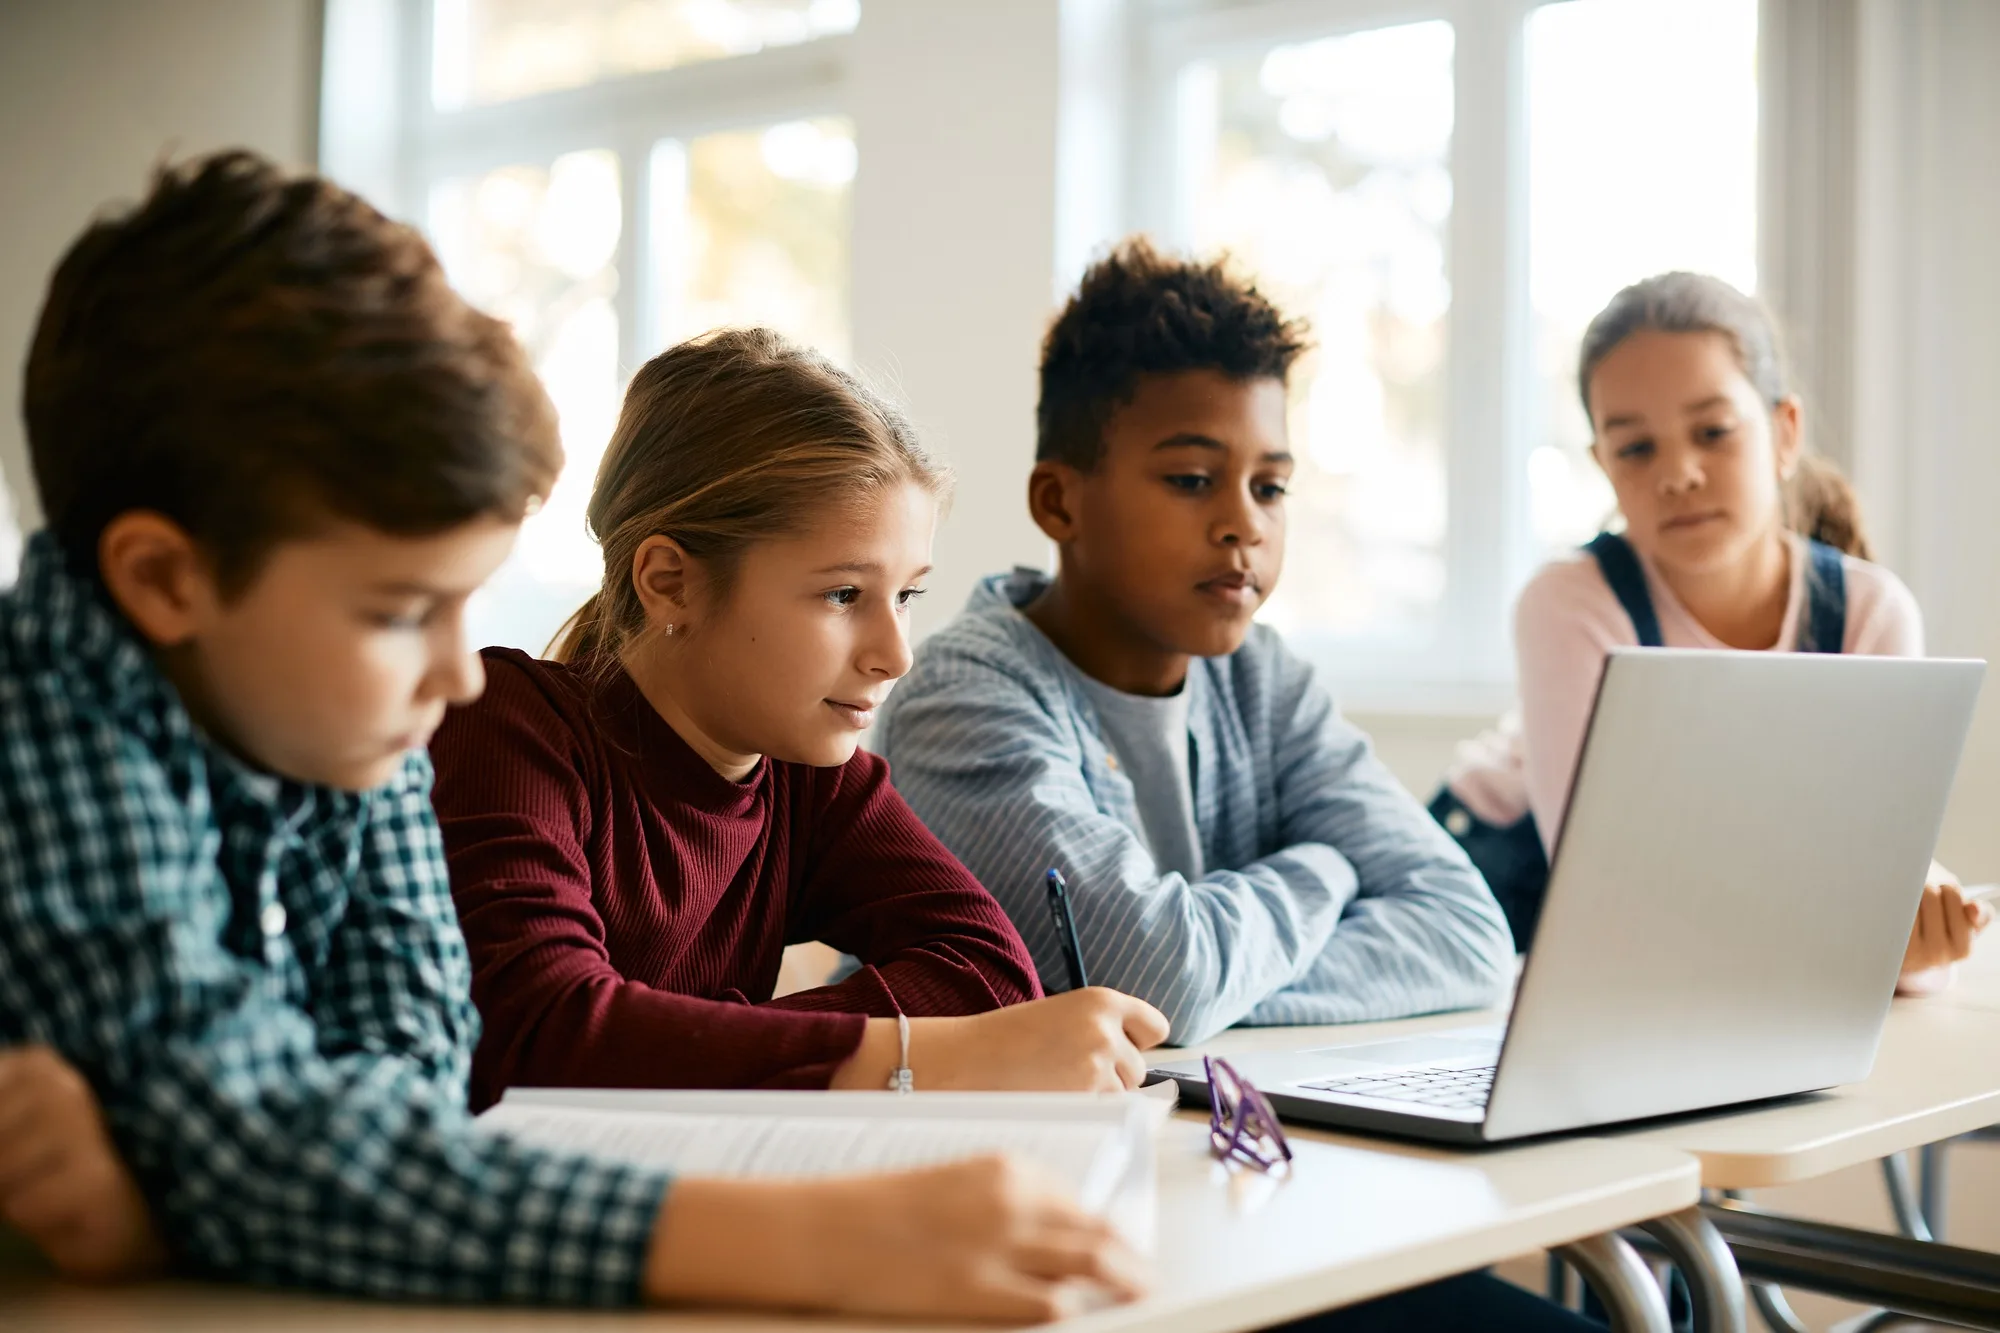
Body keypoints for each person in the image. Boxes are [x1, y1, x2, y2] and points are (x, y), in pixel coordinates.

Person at [0, 151, 1141, 1319]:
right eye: (399, 611)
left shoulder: (351, 720)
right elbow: (323, 1115)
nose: (456, 671)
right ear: (164, 578)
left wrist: (184, 1188)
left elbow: (407, 1087)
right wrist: (824, 1235)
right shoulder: (50, 726)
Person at [430, 328, 1169, 1107]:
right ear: (670, 582)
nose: (895, 654)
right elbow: (542, 1035)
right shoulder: (503, 724)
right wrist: (909, 1053)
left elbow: (987, 972)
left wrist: (685, 1043)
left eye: (906, 595)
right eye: (843, 594)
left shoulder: (810, 777)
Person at [874, 238, 1513, 1047]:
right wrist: (1325, 869)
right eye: (1191, 479)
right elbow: (1160, 975)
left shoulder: (1263, 682)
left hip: (1195, 1108)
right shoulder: (961, 700)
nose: (1245, 523)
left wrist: (1220, 980)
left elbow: (1468, 934)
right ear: (1059, 503)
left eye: (1270, 486)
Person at [1436, 271, 1987, 982]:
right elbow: (1604, 888)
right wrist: (1847, 923)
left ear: (1785, 433)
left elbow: (1877, 866)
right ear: (1604, 465)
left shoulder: (1872, 613)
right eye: (1636, 448)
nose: (1679, 473)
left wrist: (1912, 938)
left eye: (1713, 432)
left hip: (1715, 938)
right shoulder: (1567, 603)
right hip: (1495, 883)